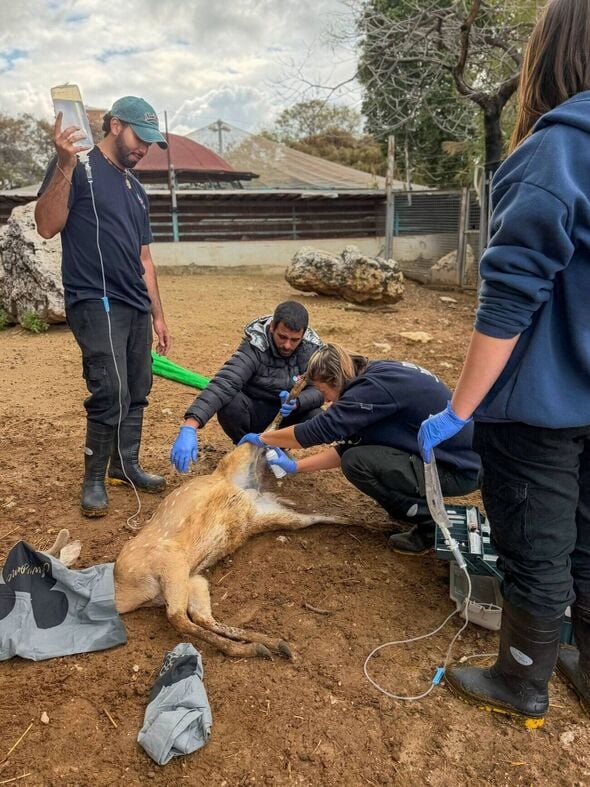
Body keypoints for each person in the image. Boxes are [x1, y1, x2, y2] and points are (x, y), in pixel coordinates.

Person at [418, 0, 590, 725]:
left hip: (539, 409)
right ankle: (579, 659)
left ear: (548, 52)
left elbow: (511, 295)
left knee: (535, 546)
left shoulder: (557, 149)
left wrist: (459, 409)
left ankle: (522, 678)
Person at [35, 96, 172, 517]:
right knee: (110, 388)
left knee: (137, 388)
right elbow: (46, 225)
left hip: (133, 303)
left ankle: (124, 464)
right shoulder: (77, 165)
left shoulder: (136, 189)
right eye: (139, 138)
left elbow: (144, 259)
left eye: (151, 143)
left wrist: (159, 315)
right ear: (114, 125)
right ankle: (93, 478)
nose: (144, 149)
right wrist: (64, 164)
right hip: (94, 299)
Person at [238, 344, 479, 553]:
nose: (328, 400)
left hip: (457, 469)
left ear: (335, 379)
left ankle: (429, 524)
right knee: (356, 457)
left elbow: (318, 431)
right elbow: (350, 445)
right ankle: (409, 506)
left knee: (358, 464)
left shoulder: (371, 390)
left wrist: (264, 438)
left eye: (324, 392)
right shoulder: (375, 376)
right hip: (462, 458)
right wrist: (295, 467)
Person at [170, 301, 324, 473]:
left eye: (295, 340)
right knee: (230, 403)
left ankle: (280, 447)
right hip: (254, 413)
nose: (287, 345)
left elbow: (320, 391)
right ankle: (248, 449)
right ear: (272, 327)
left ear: (303, 335)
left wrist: (298, 402)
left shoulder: (312, 352)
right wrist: (189, 426)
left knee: (317, 416)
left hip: (287, 417)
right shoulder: (254, 348)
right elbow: (224, 383)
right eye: (282, 337)